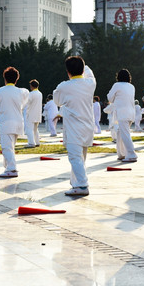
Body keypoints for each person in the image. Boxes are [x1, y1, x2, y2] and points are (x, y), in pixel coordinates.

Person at [53, 56, 96, 196]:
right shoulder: (90, 83)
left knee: (75, 158)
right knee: (81, 157)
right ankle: (75, 183)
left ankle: (82, 185)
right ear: (83, 70)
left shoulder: (64, 86)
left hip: (73, 128)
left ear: (68, 71)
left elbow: (57, 101)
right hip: (87, 126)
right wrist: (84, 65)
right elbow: (90, 74)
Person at [0, 67, 29, 177]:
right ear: (17, 79)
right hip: (18, 123)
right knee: (10, 147)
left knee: (6, 148)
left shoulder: (0, 91)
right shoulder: (21, 92)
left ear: (4, 78)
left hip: (6, 123)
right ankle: (7, 167)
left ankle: (12, 169)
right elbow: (26, 96)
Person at [107, 69, 137, 163]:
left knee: (125, 134)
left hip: (122, 113)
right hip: (131, 113)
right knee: (120, 133)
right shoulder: (131, 86)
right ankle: (121, 154)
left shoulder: (117, 85)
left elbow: (110, 98)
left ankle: (132, 154)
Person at [24, 79, 42, 147]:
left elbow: (26, 103)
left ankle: (31, 143)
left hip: (31, 114)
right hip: (37, 114)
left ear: (32, 86)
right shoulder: (40, 93)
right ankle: (37, 142)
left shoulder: (31, 94)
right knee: (35, 129)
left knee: (29, 129)